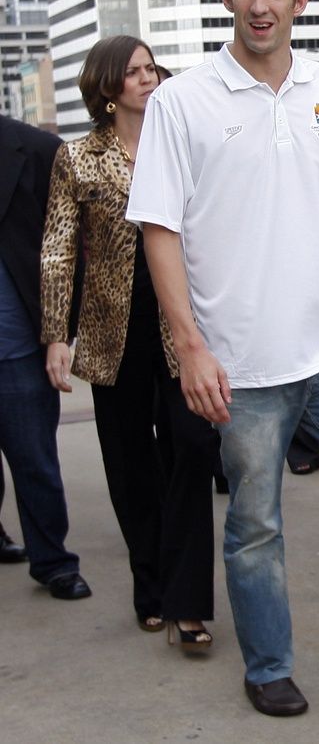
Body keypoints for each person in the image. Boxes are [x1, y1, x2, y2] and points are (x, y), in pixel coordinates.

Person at [126, 0, 319, 719]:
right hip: (241, 362)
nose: (261, 5)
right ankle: (267, 666)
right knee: (255, 522)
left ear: (300, 2)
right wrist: (188, 343)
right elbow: (159, 229)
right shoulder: (182, 101)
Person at [40, 35, 219, 646]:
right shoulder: (79, 158)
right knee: (130, 466)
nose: (149, 78)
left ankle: (189, 600)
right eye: (135, 71)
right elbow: (60, 250)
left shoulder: (185, 144)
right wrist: (55, 334)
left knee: (194, 448)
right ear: (108, 86)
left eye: (152, 68)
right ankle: (154, 589)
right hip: (111, 332)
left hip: (184, 327)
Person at [0, 114, 88, 599]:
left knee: (34, 460)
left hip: (17, 343)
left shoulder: (35, 149)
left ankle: (53, 561)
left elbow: (65, 244)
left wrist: (61, 329)